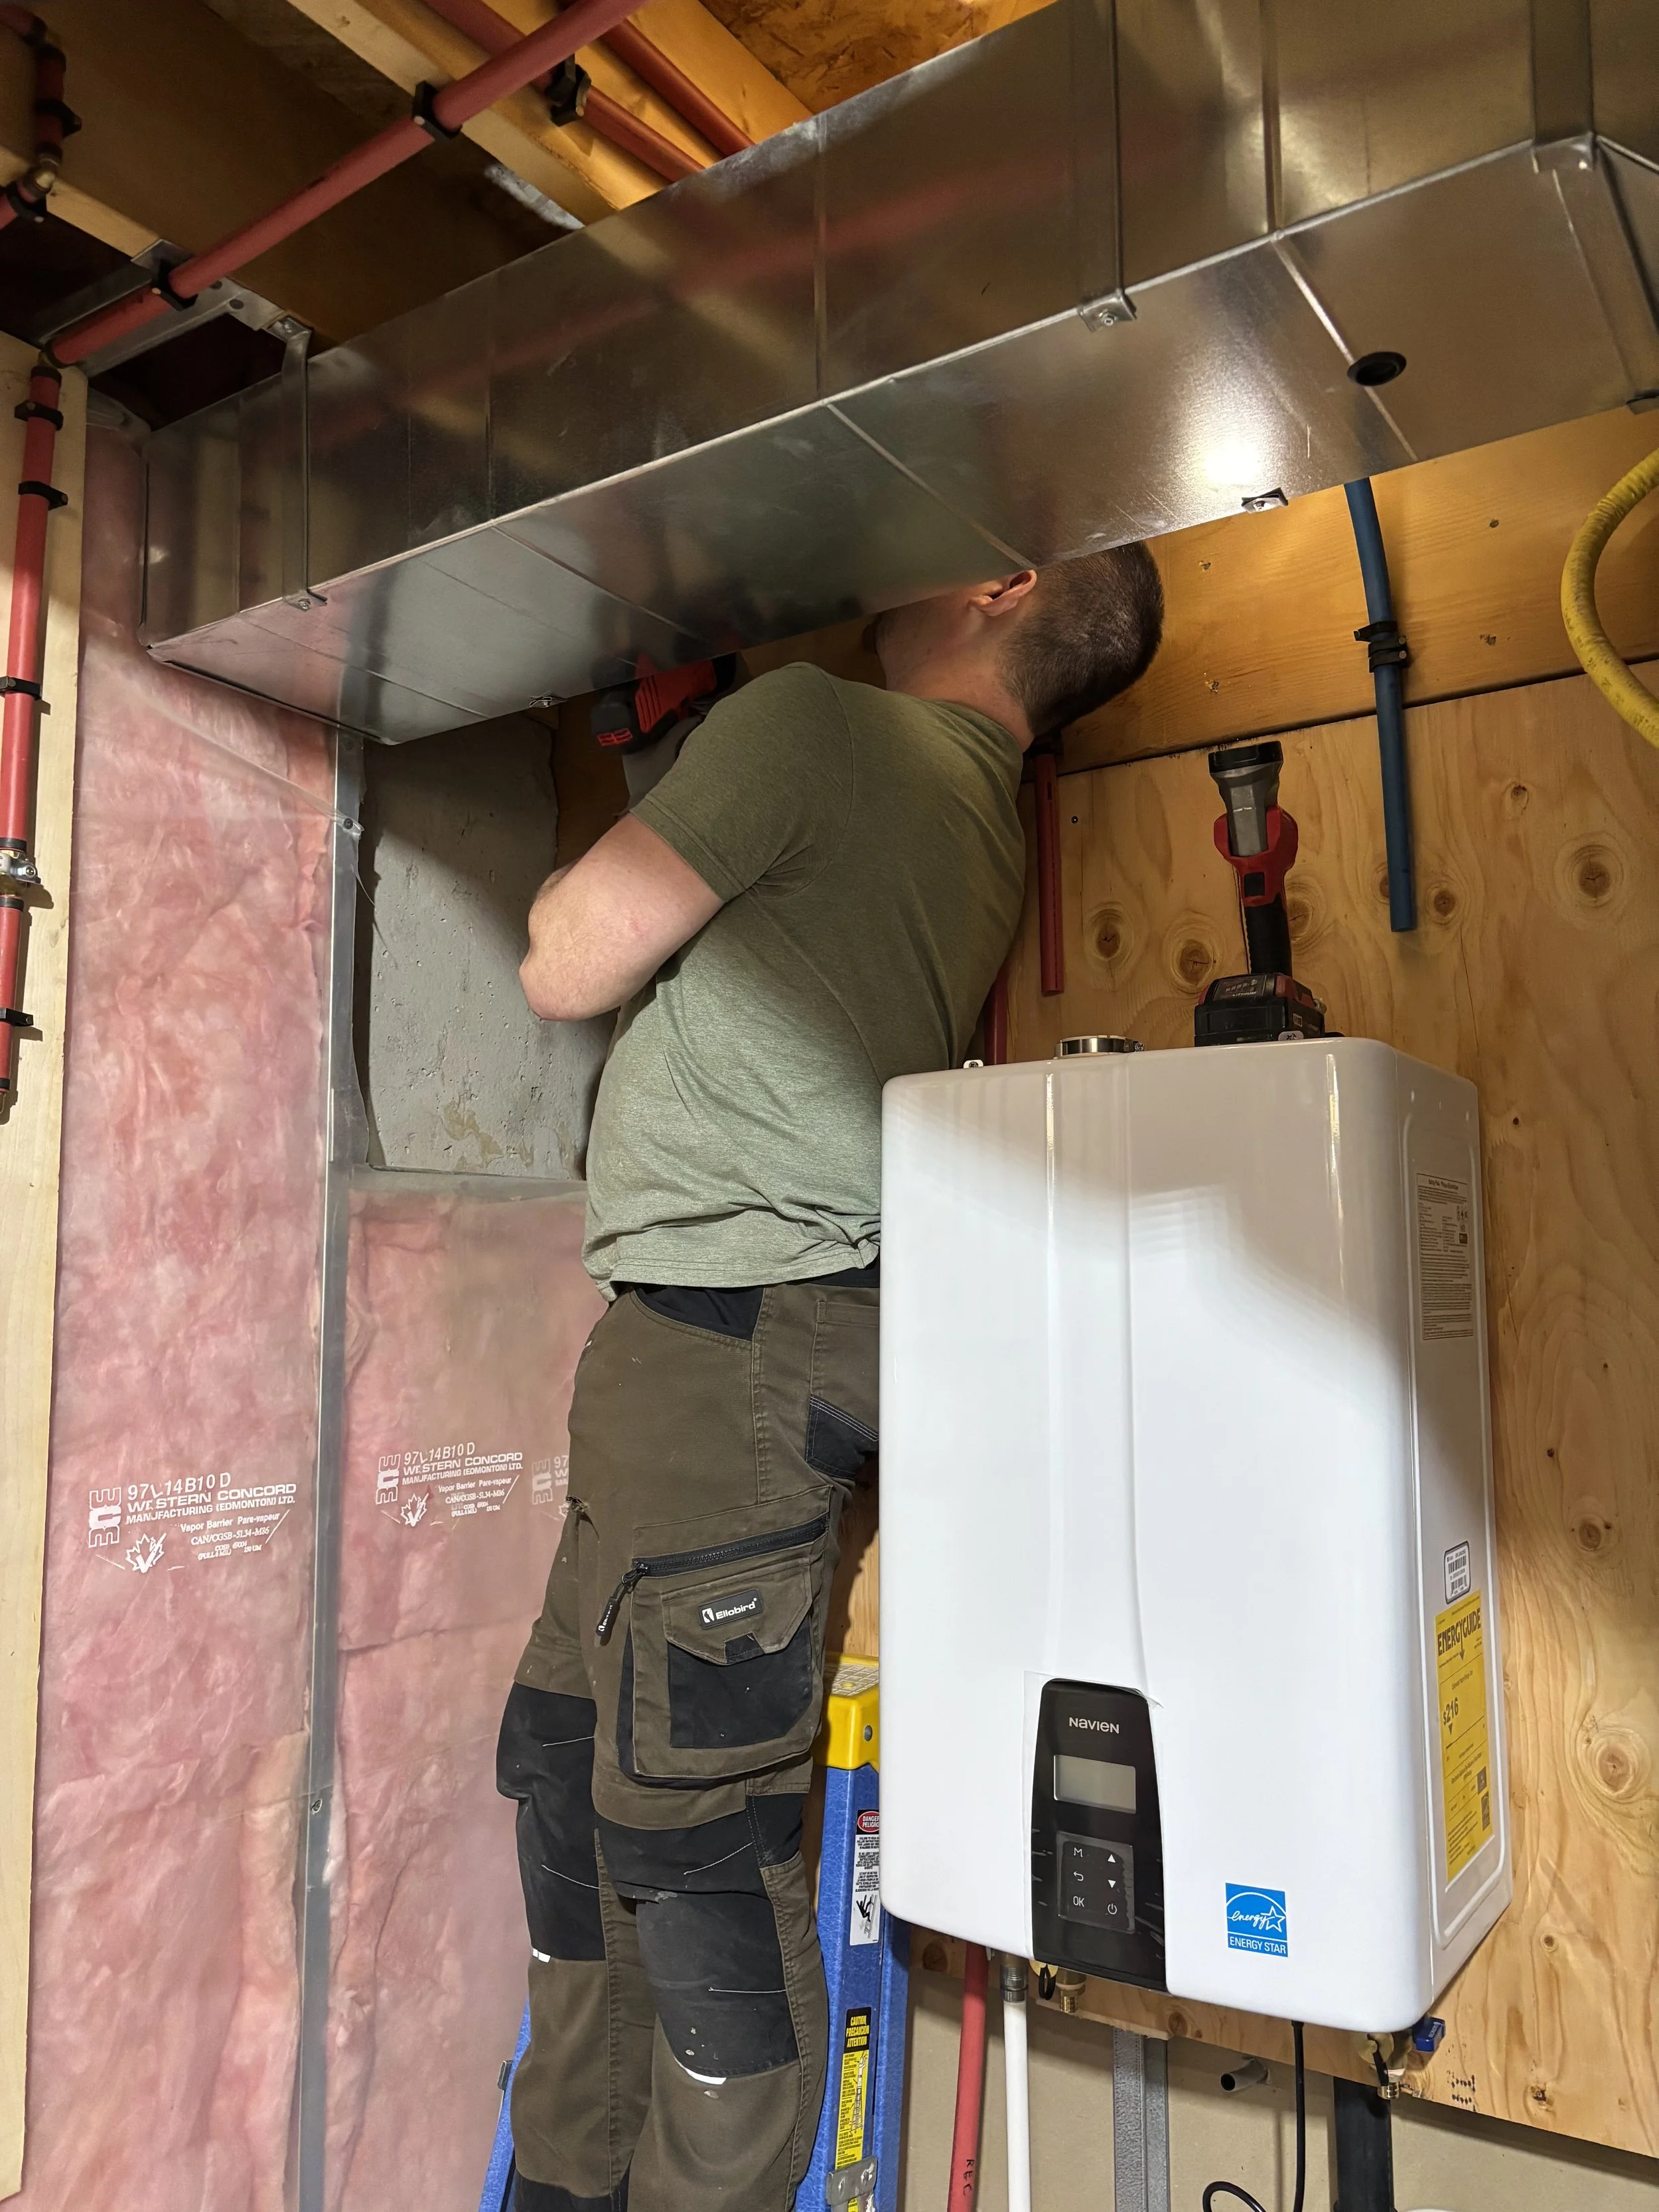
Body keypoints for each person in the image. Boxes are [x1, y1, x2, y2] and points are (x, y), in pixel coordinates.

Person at [497, 546, 1164, 2212]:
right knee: (568, 1763)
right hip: (701, 1344)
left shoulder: (821, 727)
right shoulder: (967, 811)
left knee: (697, 1853)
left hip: (729, 1337)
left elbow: (564, 958)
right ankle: (569, 2178)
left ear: (1006, 584)